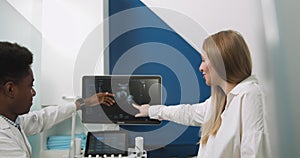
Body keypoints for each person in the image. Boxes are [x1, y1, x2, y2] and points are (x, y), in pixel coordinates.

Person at [133, 30, 270, 158]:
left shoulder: (251, 95)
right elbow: (188, 113)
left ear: (221, 61)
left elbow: (254, 152)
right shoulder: (221, 101)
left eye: (204, 60)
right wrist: (151, 110)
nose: (201, 67)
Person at [0, 41, 115, 158]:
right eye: (30, 86)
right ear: (10, 89)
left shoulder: (13, 122)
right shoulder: (2, 140)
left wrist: (84, 102)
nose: (33, 93)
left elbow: (44, 117)